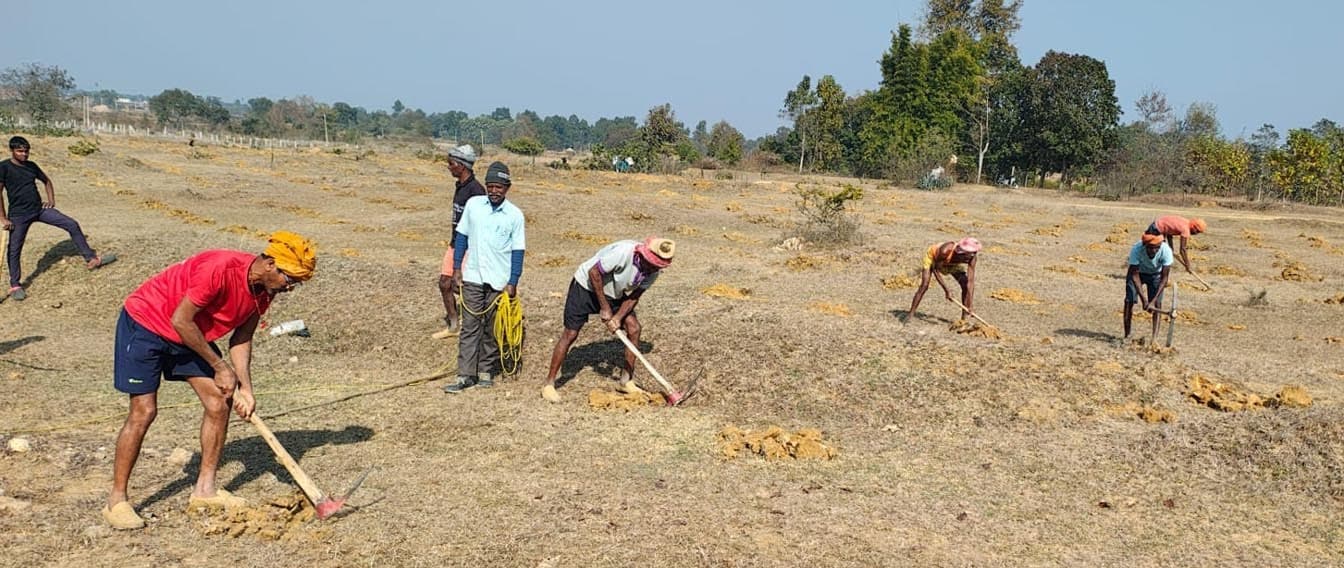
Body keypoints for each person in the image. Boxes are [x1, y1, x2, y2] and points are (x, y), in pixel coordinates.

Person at [103, 231, 317, 530]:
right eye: (290, 279)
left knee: (219, 402)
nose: (290, 287)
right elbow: (180, 320)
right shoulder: (219, 268)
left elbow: (242, 338)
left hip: (189, 335)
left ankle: (205, 491)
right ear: (270, 264)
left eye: (297, 282)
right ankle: (117, 501)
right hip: (147, 323)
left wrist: (246, 388)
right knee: (144, 411)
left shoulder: (265, 290)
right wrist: (219, 366)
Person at [542, 237, 675, 403]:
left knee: (634, 328)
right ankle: (549, 384)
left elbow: (634, 296)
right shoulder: (623, 253)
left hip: (613, 293)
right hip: (585, 287)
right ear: (644, 255)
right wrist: (604, 307)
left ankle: (626, 381)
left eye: (658, 266)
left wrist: (617, 318)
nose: (654, 268)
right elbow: (593, 272)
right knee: (571, 333)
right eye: (653, 264)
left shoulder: (653, 272)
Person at [444, 162, 525, 394]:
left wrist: (513, 281)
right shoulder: (474, 205)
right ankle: (465, 374)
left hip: (499, 280)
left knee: (492, 327)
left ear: (507, 188)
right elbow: (461, 237)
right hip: (473, 275)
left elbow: (518, 251)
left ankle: (485, 371)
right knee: (470, 326)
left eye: (499, 187)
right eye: (490, 186)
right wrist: (457, 268)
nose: (494, 191)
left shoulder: (515, 215)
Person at [1, 136, 114, 300]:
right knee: (14, 249)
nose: (24, 154)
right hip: (19, 216)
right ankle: (15, 285)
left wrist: (51, 200)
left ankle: (92, 259)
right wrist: (3, 218)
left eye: (26, 151)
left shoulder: (31, 166)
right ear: (12, 151)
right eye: (20, 151)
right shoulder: (4, 167)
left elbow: (46, 181)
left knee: (72, 224)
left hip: (39, 209)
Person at [431, 145, 486, 340]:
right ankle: (454, 326)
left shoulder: (476, 191)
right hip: (454, 243)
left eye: (451, 163)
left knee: (461, 286)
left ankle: (480, 320)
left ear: (462, 166)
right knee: (444, 283)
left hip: (469, 247)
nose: (449, 167)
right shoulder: (460, 186)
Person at [904, 237, 981, 323]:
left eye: (975, 253)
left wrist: (970, 304)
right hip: (933, 260)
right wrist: (946, 290)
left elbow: (970, 282)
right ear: (962, 252)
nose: (973, 255)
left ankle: (963, 320)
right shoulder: (945, 251)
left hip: (951, 264)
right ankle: (911, 314)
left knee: (965, 284)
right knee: (924, 285)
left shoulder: (972, 258)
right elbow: (936, 270)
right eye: (971, 253)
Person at [1124, 233, 1173, 342]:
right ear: (1145, 245)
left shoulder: (1166, 251)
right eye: (1150, 248)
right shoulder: (1136, 249)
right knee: (1129, 301)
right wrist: (1144, 300)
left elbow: (1164, 279)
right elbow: (1135, 276)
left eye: (1157, 248)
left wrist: (1152, 301)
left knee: (1157, 304)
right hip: (1138, 273)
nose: (1154, 251)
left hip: (1156, 275)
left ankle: (1154, 339)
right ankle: (1127, 336)